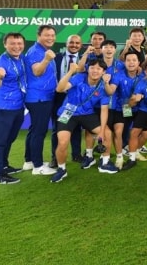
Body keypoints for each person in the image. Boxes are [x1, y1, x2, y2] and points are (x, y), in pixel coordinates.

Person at [51, 59, 112, 183]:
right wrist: (70, 72)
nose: (95, 71)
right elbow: (59, 89)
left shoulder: (103, 86)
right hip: (68, 112)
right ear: (88, 69)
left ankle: (105, 163)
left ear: (103, 72)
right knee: (62, 142)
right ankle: (61, 169)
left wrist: (101, 132)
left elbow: (104, 111)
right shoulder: (78, 77)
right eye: (92, 68)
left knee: (107, 133)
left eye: (98, 69)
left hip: (87, 113)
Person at [0, 32, 28, 184]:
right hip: (2, 108)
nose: (16, 46)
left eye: (19, 43)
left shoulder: (22, 59)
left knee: (9, 138)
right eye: (12, 43)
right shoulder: (0, 62)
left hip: (17, 106)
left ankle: (4, 165)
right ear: (5, 45)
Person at [22, 25, 58, 176]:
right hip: (39, 98)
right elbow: (37, 71)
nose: (50, 38)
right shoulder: (36, 51)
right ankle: (38, 166)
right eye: (47, 35)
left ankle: (29, 161)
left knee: (34, 129)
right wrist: (47, 59)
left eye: (52, 35)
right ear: (38, 36)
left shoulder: (41, 50)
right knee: (39, 131)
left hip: (42, 97)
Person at [49, 35, 84, 169]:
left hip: (76, 98)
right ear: (66, 43)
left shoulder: (84, 60)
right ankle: (55, 157)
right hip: (59, 97)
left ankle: (76, 154)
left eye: (77, 43)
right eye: (71, 42)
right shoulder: (56, 58)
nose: (74, 45)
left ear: (81, 45)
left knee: (76, 127)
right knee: (57, 128)